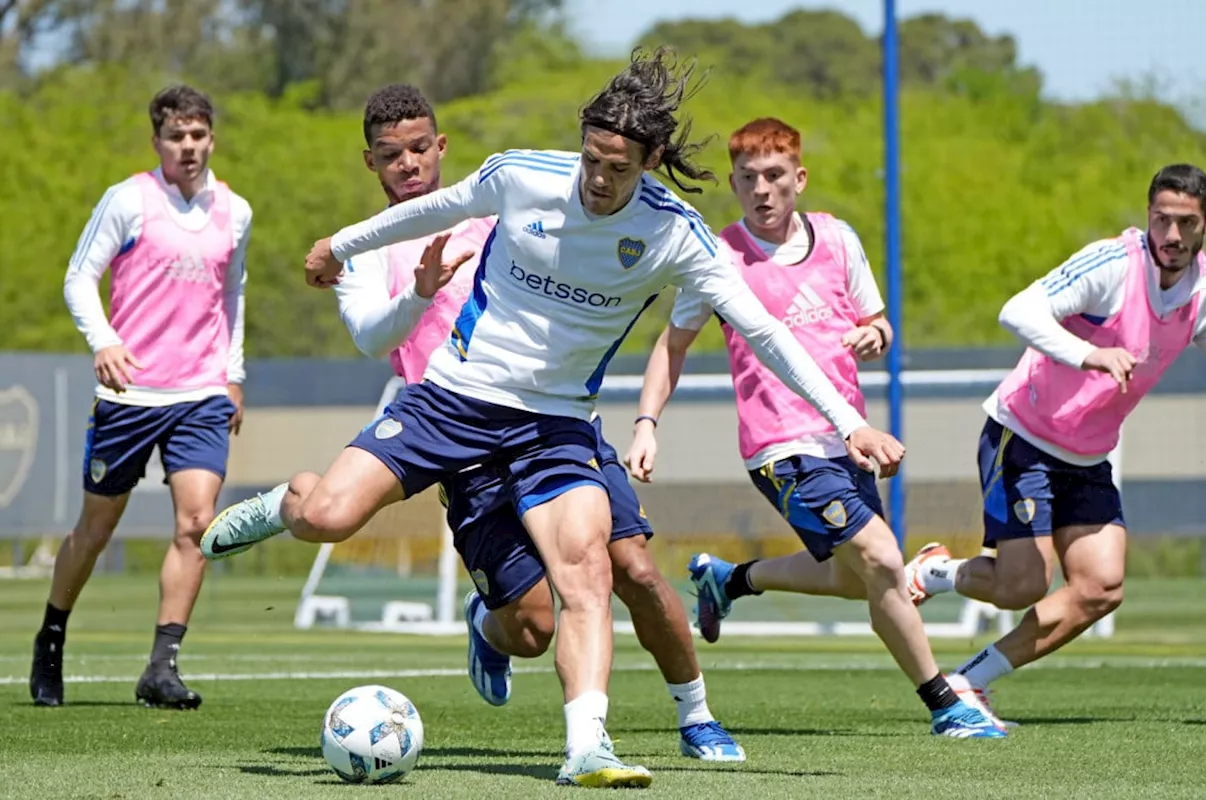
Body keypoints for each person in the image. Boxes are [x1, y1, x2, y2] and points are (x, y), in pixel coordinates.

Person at [202, 47, 902, 788]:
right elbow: (440, 206)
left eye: (619, 167)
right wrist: (337, 246)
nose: (599, 180)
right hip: (451, 400)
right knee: (330, 517)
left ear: (651, 160)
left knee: (589, 572)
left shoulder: (677, 234)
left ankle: (588, 746)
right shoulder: (523, 177)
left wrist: (847, 422)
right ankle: (286, 503)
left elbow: (766, 332)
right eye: (592, 159)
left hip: (555, 426)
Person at [212, 83, 742, 762]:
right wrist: (419, 292)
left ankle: (692, 717)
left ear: (440, 147)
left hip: (551, 421)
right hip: (450, 423)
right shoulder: (375, 246)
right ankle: (299, 509)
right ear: (370, 163)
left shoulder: (502, 207)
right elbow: (374, 339)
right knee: (529, 629)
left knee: (631, 566)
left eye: (417, 148)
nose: (407, 163)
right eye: (389, 154)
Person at [625, 117, 1004, 739]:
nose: (762, 190)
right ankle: (947, 705)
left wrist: (875, 335)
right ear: (734, 183)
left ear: (799, 178)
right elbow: (673, 346)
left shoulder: (837, 239)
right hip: (780, 447)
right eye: (748, 179)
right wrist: (646, 424)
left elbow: (876, 321)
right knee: (883, 560)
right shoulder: (718, 256)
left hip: (845, 438)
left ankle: (730, 579)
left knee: (856, 580)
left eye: (775, 176)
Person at [903, 164, 1206, 725]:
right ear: (1147, 215)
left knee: (1101, 587)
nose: (1171, 236)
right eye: (1162, 220)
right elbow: (1017, 310)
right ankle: (936, 574)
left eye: (1186, 224)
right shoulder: (1113, 267)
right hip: (1022, 435)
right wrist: (1087, 353)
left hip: (1088, 454)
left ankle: (968, 681)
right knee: (1022, 584)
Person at [30, 85, 251, 709]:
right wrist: (102, 340)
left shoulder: (236, 211)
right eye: (177, 136)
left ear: (212, 138)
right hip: (129, 394)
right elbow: (79, 277)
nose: (189, 147)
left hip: (201, 392)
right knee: (96, 529)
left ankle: (162, 667)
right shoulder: (127, 201)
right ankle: (51, 637)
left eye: (199, 135)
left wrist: (232, 374)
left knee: (197, 523)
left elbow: (233, 296)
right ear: (157, 141)